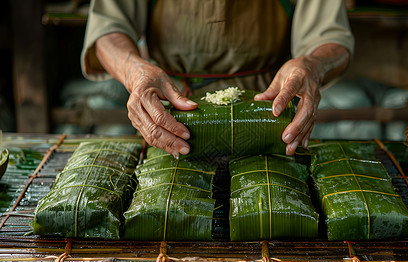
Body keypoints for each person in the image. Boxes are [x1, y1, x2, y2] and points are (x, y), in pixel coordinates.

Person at [81, 0, 354, 158]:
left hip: (269, 118)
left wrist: (312, 65)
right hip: (170, 117)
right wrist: (134, 71)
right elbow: (108, 28)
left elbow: (332, 37)